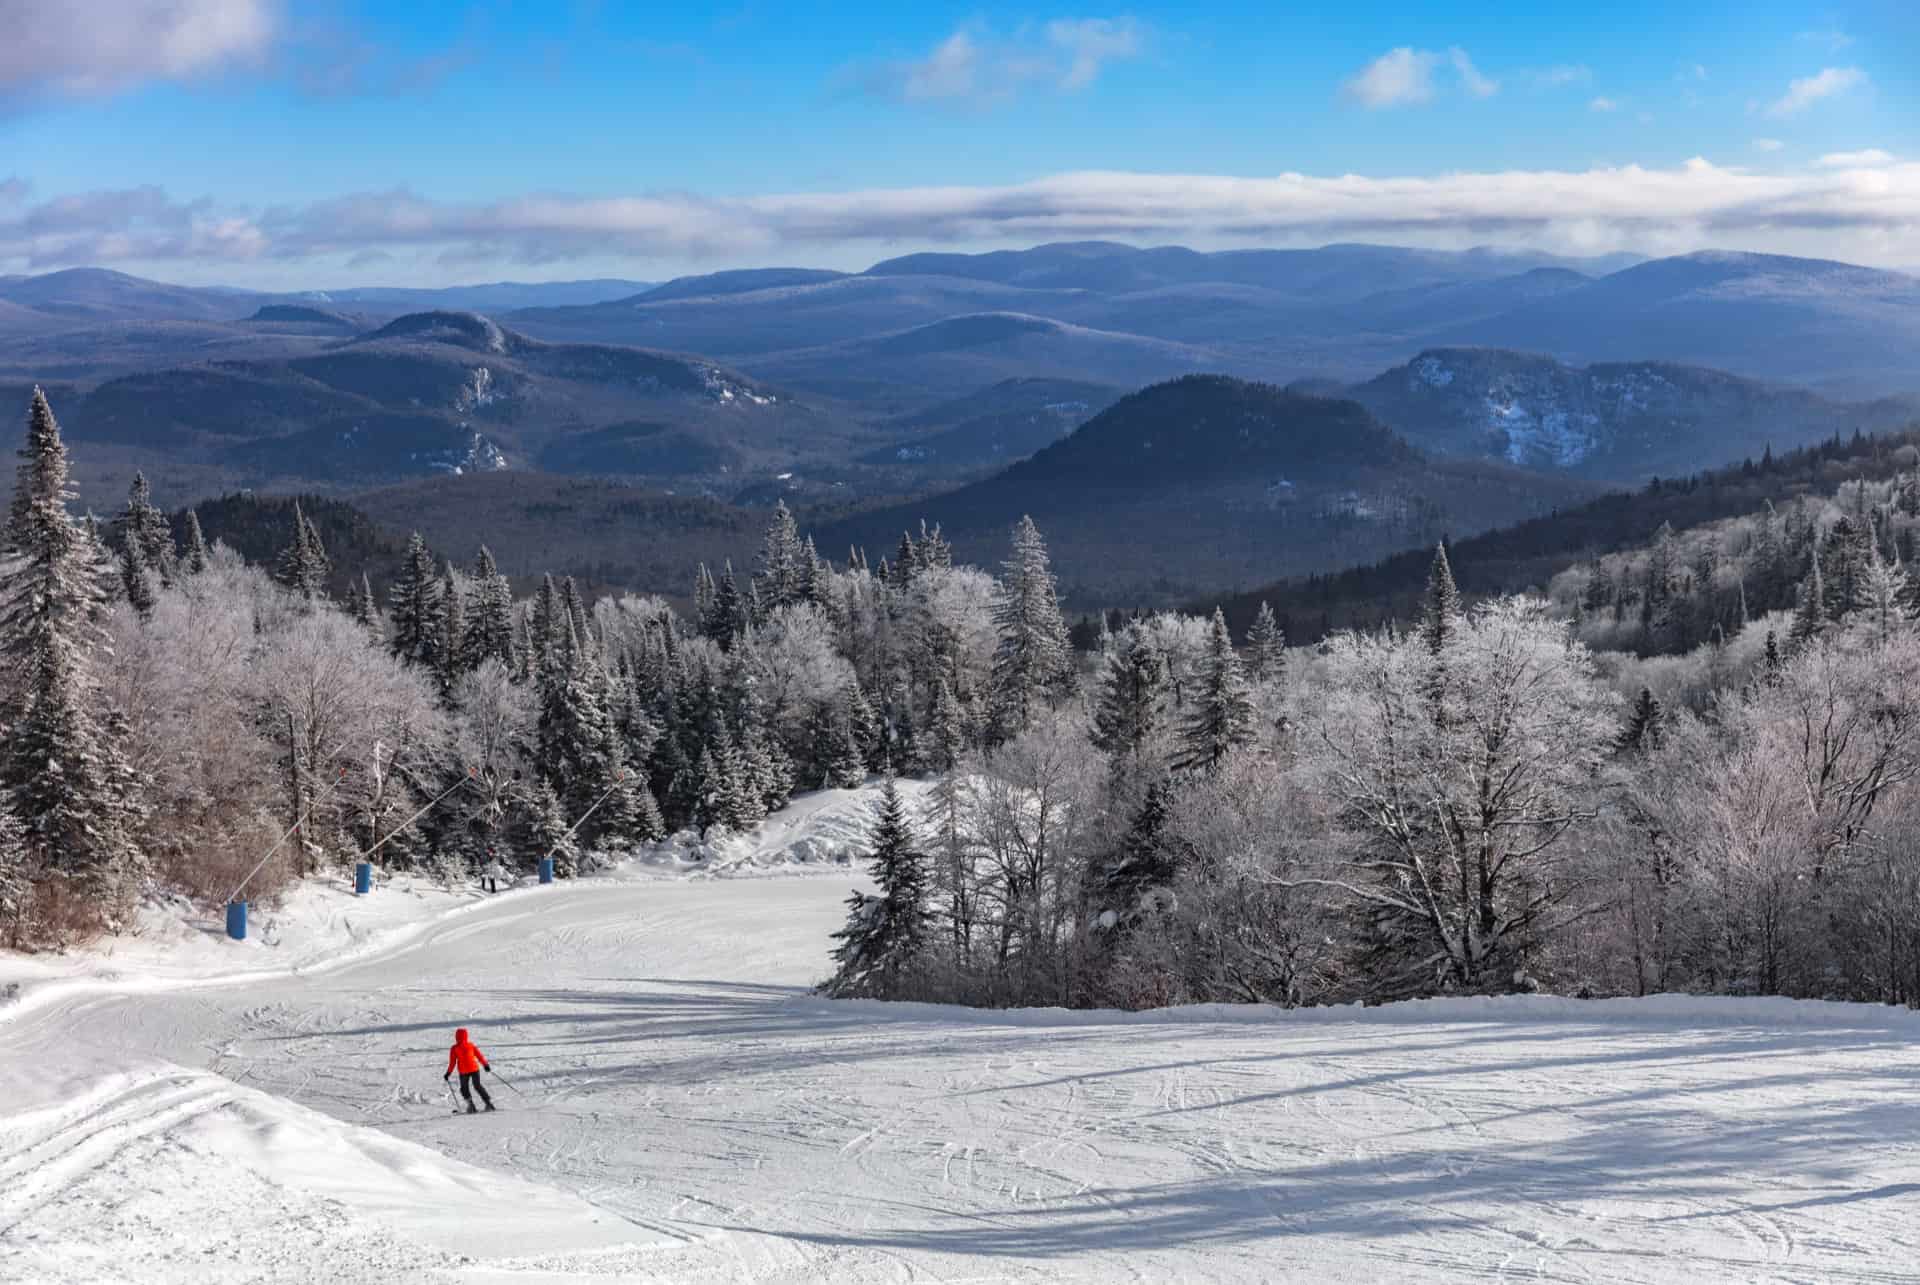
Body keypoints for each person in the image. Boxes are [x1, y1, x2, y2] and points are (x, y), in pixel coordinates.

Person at [444, 1027, 495, 1113]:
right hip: (474, 1069)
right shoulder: (471, 1045)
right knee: (477, 1086)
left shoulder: (454, 1048)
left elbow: (452, 1063)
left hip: (463, 1071)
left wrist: (448, 1073)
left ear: (456, 1037)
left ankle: (471, 1106)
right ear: (466, 1036)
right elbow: (479, 1056)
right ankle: (488, 1103)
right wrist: (485, 1065)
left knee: (464, 1088)